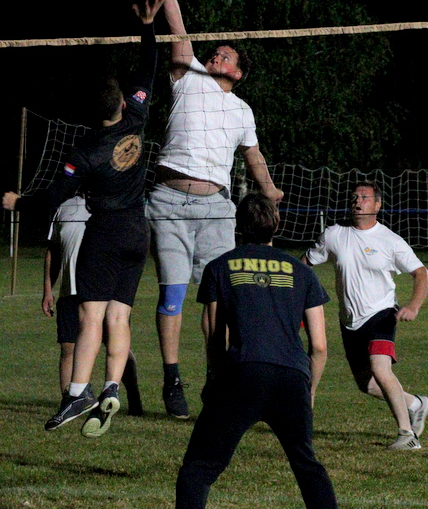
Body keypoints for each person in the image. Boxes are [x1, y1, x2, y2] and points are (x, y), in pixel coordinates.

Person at [3, 0, 164, 437]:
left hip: (106, 233)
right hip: (139, 232)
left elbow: (54, 197)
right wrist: (147, 26)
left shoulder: (85, 152)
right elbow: (148, 66)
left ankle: (77, 392)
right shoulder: (137, 116)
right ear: (121, 103)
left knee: (91, 316)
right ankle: (112, 385)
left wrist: (18, 202)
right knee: (119, 317)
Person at [147, 0, 284, 419]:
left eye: (225, 54)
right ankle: (172, 380)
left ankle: (218, 378)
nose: (215, 54)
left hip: (218, 209)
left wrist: (269, 190)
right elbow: (179, 30)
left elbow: (253, 156)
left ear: (237, 73)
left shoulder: (243, 110)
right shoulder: (189, 78)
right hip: (170, 201)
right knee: (173, 294)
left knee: (219, 299)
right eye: (214, 51)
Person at [175, 192, 337, 509]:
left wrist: (215, 380)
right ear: (277, 223)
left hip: (243, 373)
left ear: (238, 225)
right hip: (291, 378)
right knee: (307, 466)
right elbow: (319, 346)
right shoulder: (303, 272)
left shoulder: (219, 267)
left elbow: (213, 333)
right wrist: (309, 391)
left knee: (200, 467)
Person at [302, 181, 428, 450]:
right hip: (349, 321)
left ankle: (407, 435)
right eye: (354, 197)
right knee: (367, 385)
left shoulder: (390, 240)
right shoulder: (334, 235)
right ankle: (416, 403)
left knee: (380, 369)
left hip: (382, 314)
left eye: (364, 197)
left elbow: (421, 273)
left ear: (377, 205)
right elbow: (305, 264)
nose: (358, 201)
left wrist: (414, 306)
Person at [43, 195, 144, 416]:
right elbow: (53, 250)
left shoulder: (113, 203)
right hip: (71, 291)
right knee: (68, 348)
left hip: (104, 292)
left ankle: (131, 395)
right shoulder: (64, 208)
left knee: (117, 346)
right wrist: (48, 290)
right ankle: (70, 403)